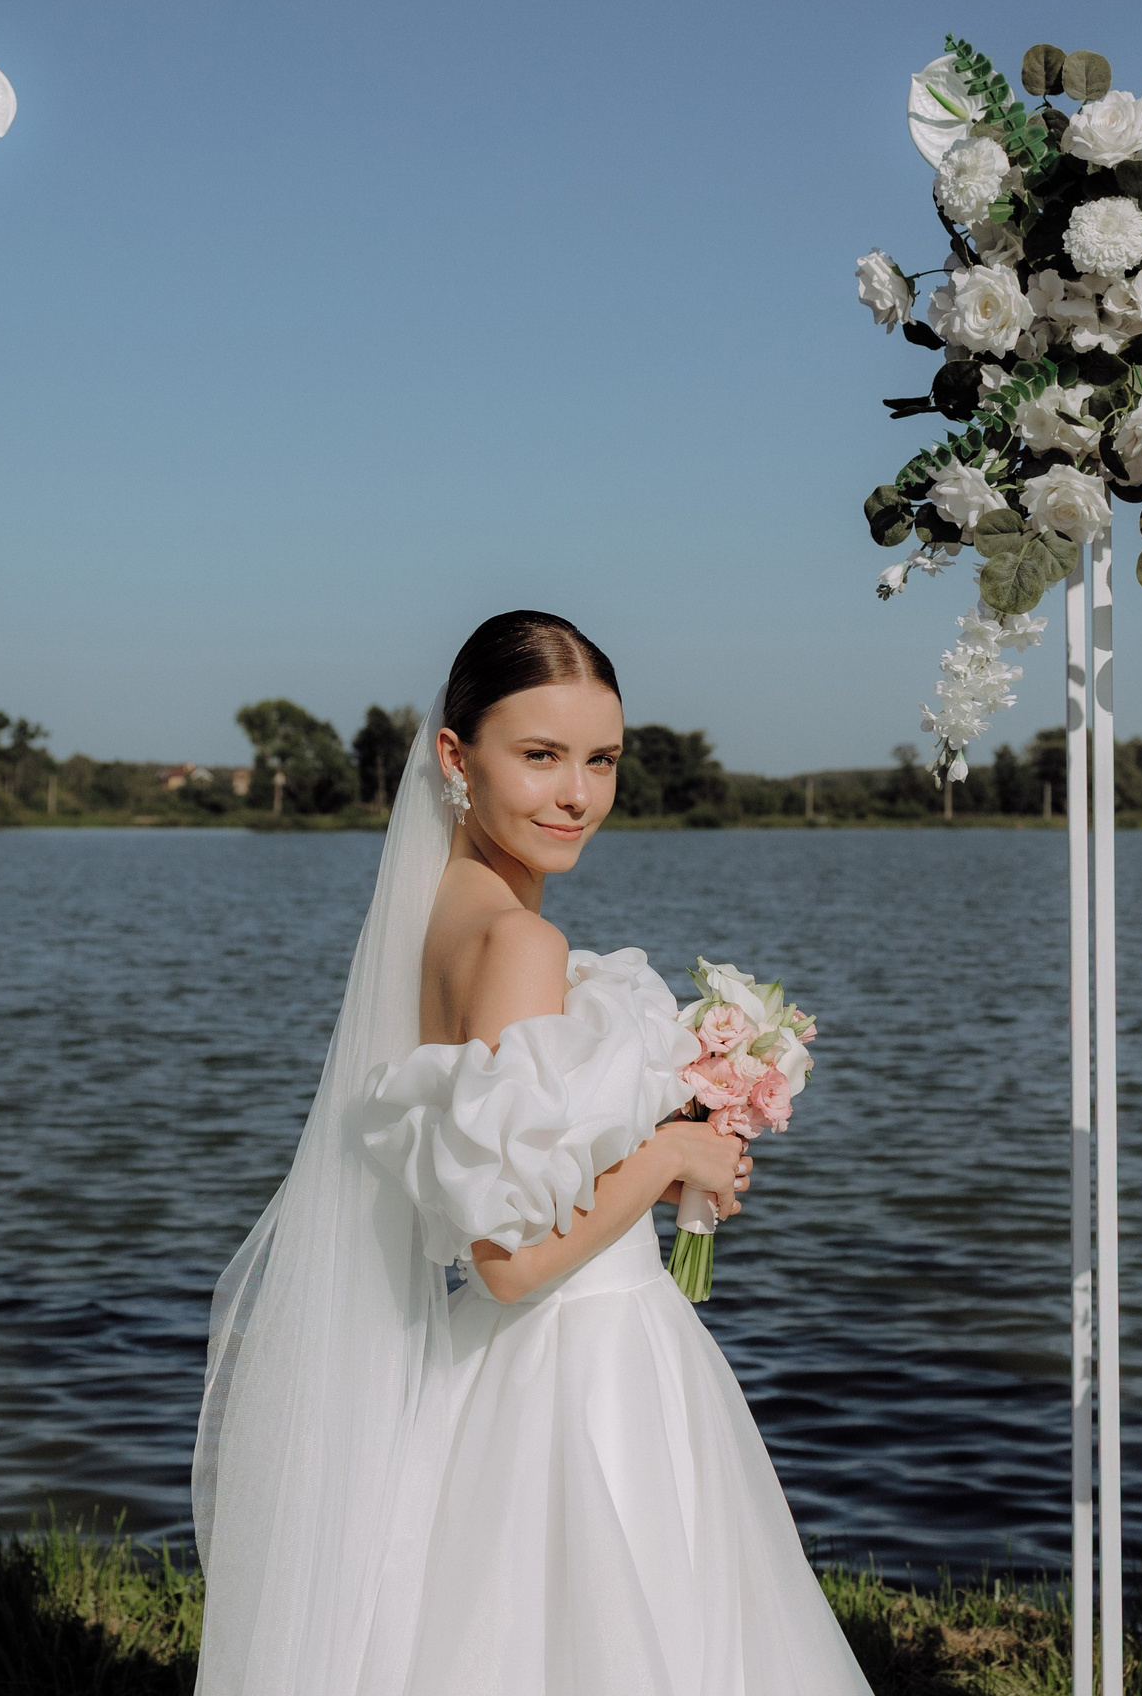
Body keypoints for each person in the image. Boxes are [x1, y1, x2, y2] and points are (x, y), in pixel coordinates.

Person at [195, 611, 871, 1694]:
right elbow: (507, 1263)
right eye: (540, 757)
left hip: (533, 1364)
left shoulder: (447, 915)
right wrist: (667, 1163)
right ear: (456, 759)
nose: (577, 797)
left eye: (600, 760)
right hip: (581, 1370)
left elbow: (504, 1171)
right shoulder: (518, 940)